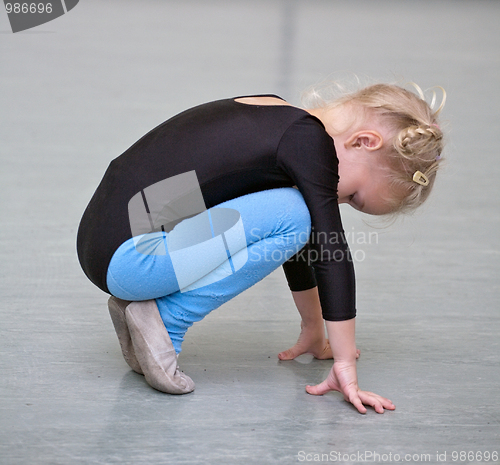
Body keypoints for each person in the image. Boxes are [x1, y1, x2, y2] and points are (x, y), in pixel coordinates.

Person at [76, 82, 445, 413]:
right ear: (363, 141)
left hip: (107, 247)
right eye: (353, 196)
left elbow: (302, 242)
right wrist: (345, 364)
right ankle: (167, 319)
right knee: (300, 213)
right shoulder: (308, 141)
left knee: (298, 214)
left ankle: (145, 311)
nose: (339, 202)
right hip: (134, 258)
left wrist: (314, 328)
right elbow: (331, 249)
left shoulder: (278, 115)